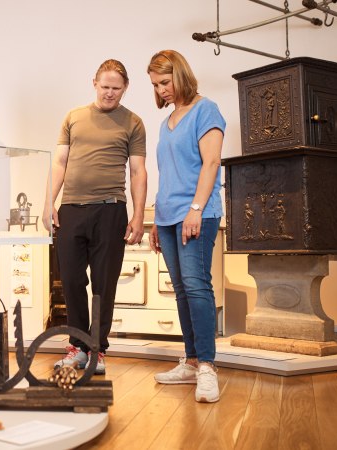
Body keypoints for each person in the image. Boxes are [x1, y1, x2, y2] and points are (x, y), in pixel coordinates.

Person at [43, 59, 147, 375]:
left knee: (104, 284)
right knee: (72, 281)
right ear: (94, 83)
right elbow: (60, 161)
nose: (110, 94)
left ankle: (97, 351)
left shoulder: (133, 122)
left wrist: (139, 214)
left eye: (116, 88)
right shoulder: (73, 117)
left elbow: (138, 170)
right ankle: (77, 347)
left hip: (111, 210)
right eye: (105, 87)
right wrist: (48, 202)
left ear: (125, 88)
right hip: (72, 209)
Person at [146, 50, 225, 403]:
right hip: (167, 216)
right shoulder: (167, 121)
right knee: (181, 290)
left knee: (196, 286)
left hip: (197, 214)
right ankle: (191, 361)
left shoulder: (206, 110)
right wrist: (155, 218)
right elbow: (168, 175)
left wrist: (195, 209)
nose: (161, 89)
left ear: (180, 74)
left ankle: (207, 367)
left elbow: (211, 163)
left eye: (165, 81)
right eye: (155, 84)